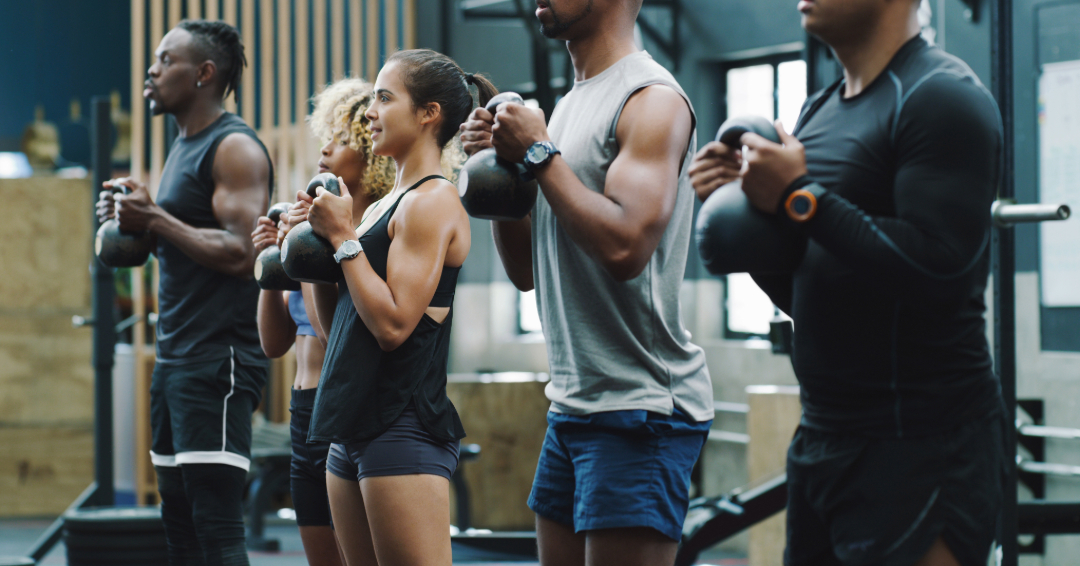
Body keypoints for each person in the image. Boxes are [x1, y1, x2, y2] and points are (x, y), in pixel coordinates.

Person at [689, 0, 1005, 564]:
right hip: (823, 440)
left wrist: (797, 196)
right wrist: (754, 217)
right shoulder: (818, 111)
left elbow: (940, 270)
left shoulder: (941, 96)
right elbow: (814, 296)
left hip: (921, 447)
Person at [459, 0, 714, 563]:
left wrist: (538, 154)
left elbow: (625, 248)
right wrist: (503, 174)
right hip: (573, 404)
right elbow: (526, 273)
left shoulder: (650, 98)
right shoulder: (566, 109)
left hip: (640, 406)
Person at [286, 49, 491, 566]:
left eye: (384, 98)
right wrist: (314, 251)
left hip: (401, 426)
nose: (371, 112)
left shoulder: (433, 201)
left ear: (428, 114)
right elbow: (338, 332)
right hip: (348, 425)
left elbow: (394, 326)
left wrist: (342, 239)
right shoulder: (379, 206)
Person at [96, 19, 272, 565]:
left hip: (218, 359)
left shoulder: (233, 147)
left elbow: (243, 253)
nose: (151, 71)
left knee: (215, 525)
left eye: (165, 60)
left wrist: (156, 218)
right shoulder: (183, 146)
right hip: (175, 358)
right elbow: (185, 242)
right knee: (180, 526)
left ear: (204, 73)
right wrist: (136, 224)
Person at [250, 77, 394, 566]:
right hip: (303, 411)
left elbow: (336, 336)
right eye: (326, 137)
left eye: (343, 139)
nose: (326, 149)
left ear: (371, 154)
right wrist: (275, 260)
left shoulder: (366, 233)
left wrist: (309, 255)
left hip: (343, 408)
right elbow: (273, 343)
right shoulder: (311, 226)